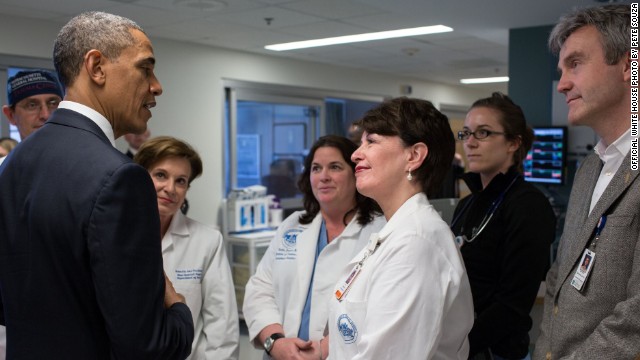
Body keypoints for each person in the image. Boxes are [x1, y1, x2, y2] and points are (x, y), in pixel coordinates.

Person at [0, 11, 194, 359]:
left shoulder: (14, 164)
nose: (157, 86)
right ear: (97, 67)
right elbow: (148, 347)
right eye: (145, 68)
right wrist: (179, 311)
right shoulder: (120, 177)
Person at [328, 97, 474, 359]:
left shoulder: (417, 244)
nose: (355, 154)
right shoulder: (398, 232)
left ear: (414, 156)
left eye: (371, 141)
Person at [534, 4, 640, 359]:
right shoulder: (589, 169)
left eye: (575, 64)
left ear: (628, 66)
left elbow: (635, 321)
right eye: (561, 69)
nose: (562, 83)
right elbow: (560, 277)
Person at [243, 135, 385, 360]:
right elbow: (260, 289)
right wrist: (276, 342)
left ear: (355, 172)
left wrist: (324, 350)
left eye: (335, 167)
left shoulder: (379, 232)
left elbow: (379, 309)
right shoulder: (293, 225)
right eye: (316, 168)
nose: (324, 177)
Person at [450, 93, 556, 360]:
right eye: (466, 134)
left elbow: (512, 305)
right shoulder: (467, 205)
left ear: (513, 143)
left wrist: (455, 347)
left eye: (483, 133)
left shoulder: (528, 206)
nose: (470, 143)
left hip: (493, 351)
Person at [134, 136, 240, 359]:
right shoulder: (114, 235)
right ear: (140, 178)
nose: (170, 188)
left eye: (180, 181)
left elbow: (222, 326)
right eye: (161, 175)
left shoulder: (207, 241)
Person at [0, 69, 64, 166]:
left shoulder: (86, 162)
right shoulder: (4, 171)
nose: (45, 115)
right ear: (11, 115)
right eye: (32, 105)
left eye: (53, 103)